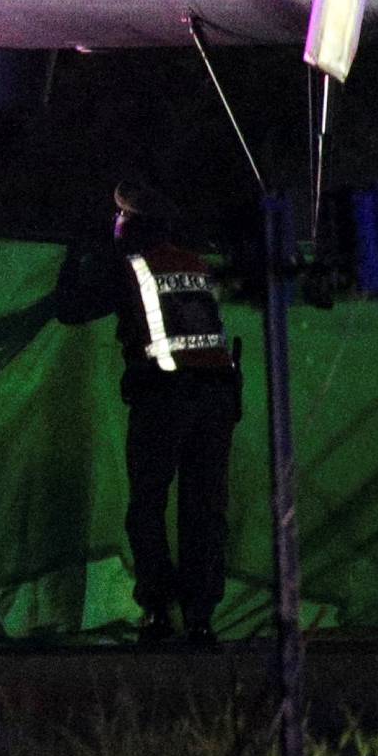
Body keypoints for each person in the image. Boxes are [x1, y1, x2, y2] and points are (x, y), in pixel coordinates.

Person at [60, 177, 243, 647]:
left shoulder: (132, 268)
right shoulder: (194, 264)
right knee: (204, 511)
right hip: (218, 399)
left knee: (148, 507)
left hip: (165, 397)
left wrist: (73, 253)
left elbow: (71, 309)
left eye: (121, 216)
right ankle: (200, 617)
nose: (115, 223)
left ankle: (158, 612)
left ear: (136, 226)